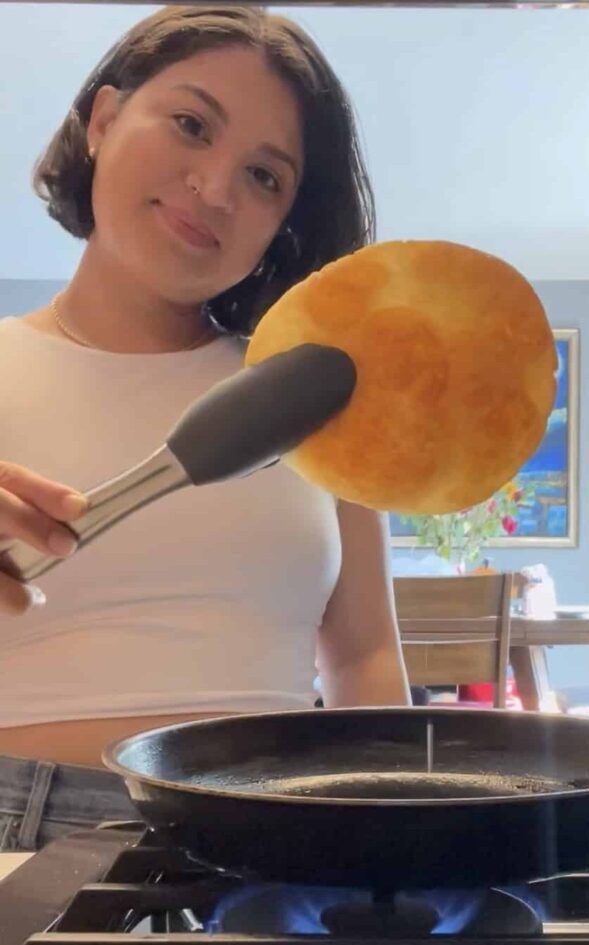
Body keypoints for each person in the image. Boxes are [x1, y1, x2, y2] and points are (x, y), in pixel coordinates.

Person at [0, 5, 410, 851]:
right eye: (191, 125)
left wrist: (397, 840)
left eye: (265, 177)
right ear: (103, 120)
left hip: (281, 838)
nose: (216, 188)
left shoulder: (309, 397)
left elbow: (365, 655)